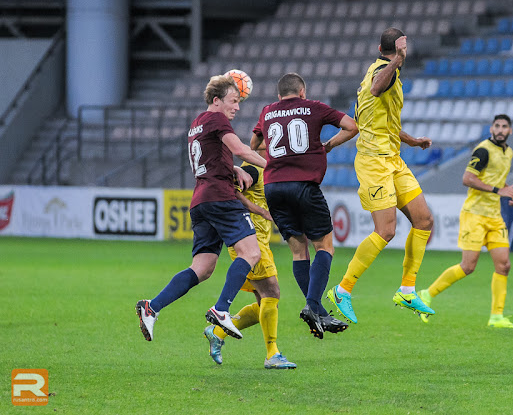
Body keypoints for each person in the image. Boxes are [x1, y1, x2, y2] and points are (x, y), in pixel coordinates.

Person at [136, 74, 267, 342]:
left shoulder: (197, 123)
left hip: (201, 200)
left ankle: (151, 307)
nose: (238, 107)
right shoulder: (218, 120)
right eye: (234, 100)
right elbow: (241, 149)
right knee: (251, 252)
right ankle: (221, 309)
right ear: (217, 101)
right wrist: (277, 166)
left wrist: (230, 168)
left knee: (203, 267)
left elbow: (208, 157)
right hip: (220, 197)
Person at [326, 27, 435, 324]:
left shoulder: (380, 75)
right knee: (386, 230)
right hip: (374, 162)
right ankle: (342, 290)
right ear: (400, 50)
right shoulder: (381, 73)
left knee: (424, 220)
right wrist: (397, 61)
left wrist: (411, 140)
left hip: (393, 159)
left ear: (378, 46)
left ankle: (407, 289)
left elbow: (367, 120)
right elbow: (376, 89)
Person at [251, 72, 358, 339]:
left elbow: (254, 144)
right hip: (304, 186)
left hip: (274, 187)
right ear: (302, 91)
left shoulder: (267, 111)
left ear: (279, 95)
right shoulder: (313, 107)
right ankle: (312, 306)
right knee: (325, 246)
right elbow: (352, 126)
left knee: (299, 252)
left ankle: (318, 311)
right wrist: (327, 145)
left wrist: (280, 151)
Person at [418, 114, 513, 328]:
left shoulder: (508, 152)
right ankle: (427, 294)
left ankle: (496, 317)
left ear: (510, 131)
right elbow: (467, 178)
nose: (500, 129)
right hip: (474, 215)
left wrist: (509, 191)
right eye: (497, 126)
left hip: (494, 216)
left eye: (504, 126)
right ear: (492, 129)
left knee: (504, 265)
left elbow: (497, 180)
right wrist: (497, 190)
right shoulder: (483, 150)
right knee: (468, 266)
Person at [204, 142, 297, 369]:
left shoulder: (266, 170)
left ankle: (216, 332)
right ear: (260, 148)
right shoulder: (254, 169)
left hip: (258, 241)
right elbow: (232, 192)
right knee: (272, 293)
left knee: (264, 302)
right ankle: (272, 354)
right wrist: (261, 211)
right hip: (250, 242)